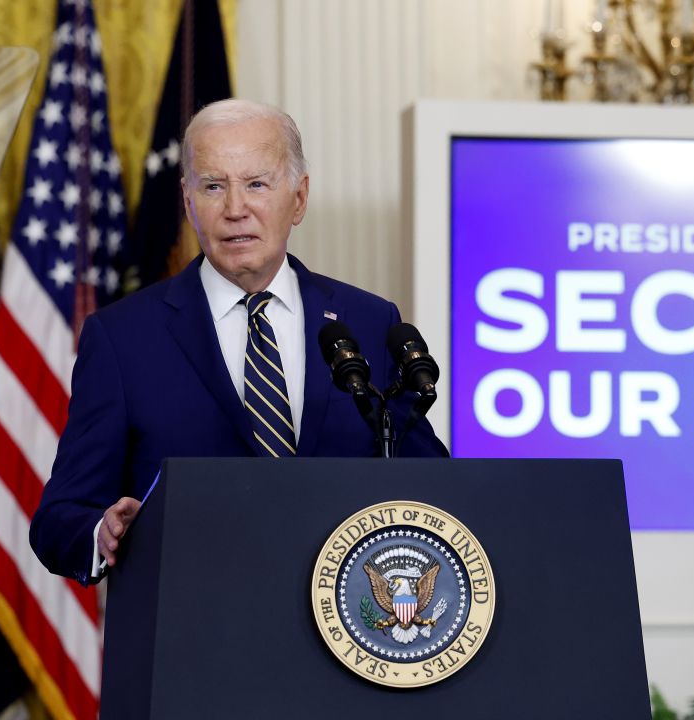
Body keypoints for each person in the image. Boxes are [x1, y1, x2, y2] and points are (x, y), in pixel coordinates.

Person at [29, 99, 447, 586]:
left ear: (299, 198)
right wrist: (101, 530)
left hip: (350, 633)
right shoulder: (123, 338)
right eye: (213, 186)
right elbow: (60, 518)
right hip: (194, 635)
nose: (234, 209)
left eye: (256, 184)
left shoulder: (370, 322)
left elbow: (433, 487)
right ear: (188, 202)